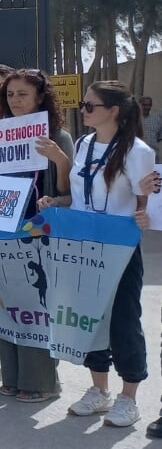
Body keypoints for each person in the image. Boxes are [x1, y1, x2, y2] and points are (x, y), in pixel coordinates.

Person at [0, 69, 73, 403]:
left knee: (34, 305)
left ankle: (42, 381)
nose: (14, 100)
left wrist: (60, 161)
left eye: (22, 94)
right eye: (10, 95)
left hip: (39, 231)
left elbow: (67, 193)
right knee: (8, 303)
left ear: (40, 98)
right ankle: (13, 376)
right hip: (1, 227)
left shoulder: (57, 136)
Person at [59, 81, 153, 427]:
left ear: (113, 110)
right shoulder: (83, 144)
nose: (83, 110)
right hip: (85, 243)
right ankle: (99, 390)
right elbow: (78, 193)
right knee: (91, 318)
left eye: (90, 106)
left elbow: (149, 200)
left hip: (121, 246)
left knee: (123, 319)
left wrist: (145, 213)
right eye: (84, 105)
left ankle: (129, 397)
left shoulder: (138, 150)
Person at [140, 95, 162, 162]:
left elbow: (159, 137)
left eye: (148, 105)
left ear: (151, 105)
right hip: (138, 155)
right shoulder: (133, 120)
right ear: (139, 105)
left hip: (153, 155)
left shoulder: (157, 119)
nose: (147, 107)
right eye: (144, 105)